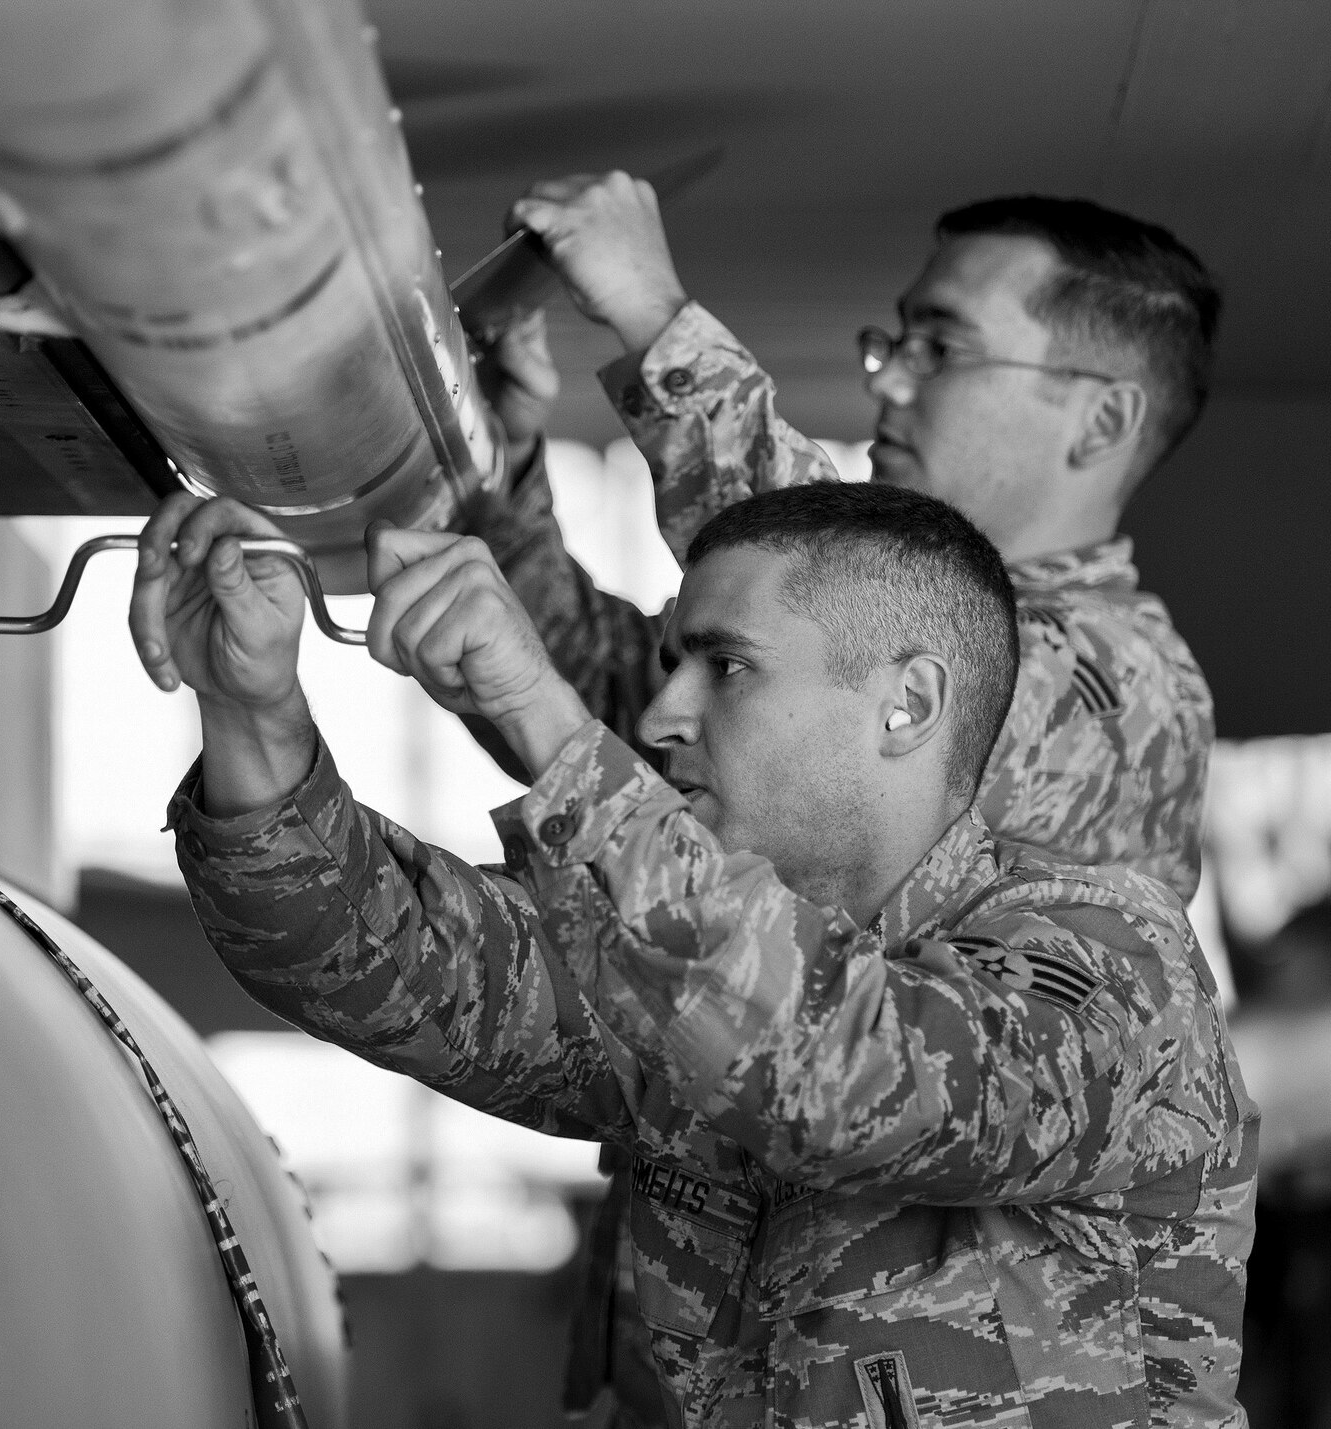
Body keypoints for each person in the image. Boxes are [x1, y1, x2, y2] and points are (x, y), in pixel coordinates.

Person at [128, 481, 1255, 1429]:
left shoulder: (1108, 950)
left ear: (906, 704)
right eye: (672, 662)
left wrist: (542, 715)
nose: (660, 713)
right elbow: (385, 960)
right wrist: (251, 711)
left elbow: (847, 1070)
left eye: (723, 666)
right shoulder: (682, 958)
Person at [471, 180, 1224, 1418]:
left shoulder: (1111, 689)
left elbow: (804, 579)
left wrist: (659, 323)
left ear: (1098, 421)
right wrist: (501, 476)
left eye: (942, 344)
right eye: (895, 340)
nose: (886, 379)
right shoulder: (877, 661)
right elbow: (632, 708)